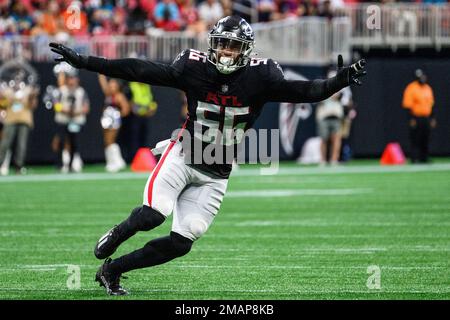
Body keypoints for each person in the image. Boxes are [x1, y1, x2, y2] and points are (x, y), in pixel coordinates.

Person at [49, 15, 366, 295]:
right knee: (153, 213)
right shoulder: (193, 66)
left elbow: (306, 92)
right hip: (183, 156)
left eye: (233, 46)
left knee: (182, 242)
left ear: (246, 50)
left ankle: (112, 270)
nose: (226, 52)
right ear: (213, 45)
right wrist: (86, 62)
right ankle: (118, 233)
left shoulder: (262, 77)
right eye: (222, 44)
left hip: (216, 174)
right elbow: (140, 70)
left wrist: (338, 82)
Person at [0, 71, 39, 175]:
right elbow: (2, 103)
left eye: (19, 79)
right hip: (10, 119)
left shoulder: (28, 90)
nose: (17, 81)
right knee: (5, 144)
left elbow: (33, 106)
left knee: (21, 144)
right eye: (16, 79)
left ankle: (19, 166)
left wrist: (33, 96)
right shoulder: (7, 91)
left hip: (24, 119)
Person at [53, 65, 90, 173]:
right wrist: (64, 110)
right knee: (61, 141)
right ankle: (60, 164)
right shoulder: (62, 90)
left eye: (73, 79)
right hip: (63, 120)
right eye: (70, 78)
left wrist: (77, 112)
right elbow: (56, 104)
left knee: (75, 142)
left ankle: (71, 163)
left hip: (76, 120)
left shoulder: (81, 92)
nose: (72, 81)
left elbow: (86, 107)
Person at [402, 69, 435, 163]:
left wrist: (432, 118)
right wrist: (411, 119)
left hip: (426, 117)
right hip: (416, 117)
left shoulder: (427, 88)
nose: (422, 79)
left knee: (426, 138)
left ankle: (424, 157)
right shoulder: (411, 88)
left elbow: (431, 104)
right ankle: (414, 158)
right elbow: (408, 105)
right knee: (415, 139)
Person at [98, 74, 130, 172]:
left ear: (117, 86)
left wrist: (115, 114)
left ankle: (116, 163)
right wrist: (101, 75)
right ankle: (113, 162)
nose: (111, 87)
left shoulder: (119, 96)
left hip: (114, 121)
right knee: (106, 141)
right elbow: (103, 84)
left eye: (113, 85)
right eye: (110, 85)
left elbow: (126, 110)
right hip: (106, 120)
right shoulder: (108, 94)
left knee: (110, 141)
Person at [128, 81, 158, 161]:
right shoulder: (132, 85)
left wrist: (151, 110)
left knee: (144, 137)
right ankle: (134, 159)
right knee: (134, 138)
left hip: (146, 116)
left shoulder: (147, 86)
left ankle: (145, 159)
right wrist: (136, 111)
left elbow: (152, 101)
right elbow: (129, 101)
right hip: (135, 117)